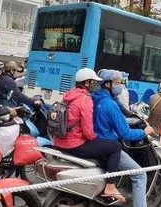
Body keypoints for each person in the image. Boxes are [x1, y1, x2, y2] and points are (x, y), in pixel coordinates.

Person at [53, 68, 124, 202]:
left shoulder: (69, 95)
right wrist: (95, 138)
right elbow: (88, 132)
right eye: (92, 82)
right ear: (86, 83)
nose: (94, 85)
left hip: (59, 141)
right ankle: (110, 186)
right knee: (115, 147)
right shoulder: (85, 100)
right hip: (74, 144)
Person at [92, 69, 154, 207]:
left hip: (92, 143)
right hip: (107, 145)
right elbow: (125, 134)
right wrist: (145, 131)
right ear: (107, 85)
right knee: (140, 175)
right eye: (118, 83)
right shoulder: (110, 105)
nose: (120, 85)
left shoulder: (93, 98)